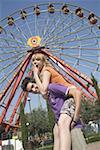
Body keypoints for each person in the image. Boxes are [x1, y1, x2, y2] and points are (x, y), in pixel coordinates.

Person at [31, 52, 82, 150]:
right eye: (33, 60)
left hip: (69, 96)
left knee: (62, 124)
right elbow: (45, 93)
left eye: (38, 59)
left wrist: (35, 74)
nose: (35, 62)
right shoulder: (44, 74)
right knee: (57, 130)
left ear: (43, 61)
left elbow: (43, 90)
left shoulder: (46, 71)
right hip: (66, 96)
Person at [21, 77, 82, 150]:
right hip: (65, 132)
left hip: (74, 128)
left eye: (33, 86)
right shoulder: (47, 96)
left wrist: (75, 118)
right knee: (56, 130)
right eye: (31, 90)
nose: (34, 90)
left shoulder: (51, 87)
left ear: (37, 81)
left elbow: (77, 93)